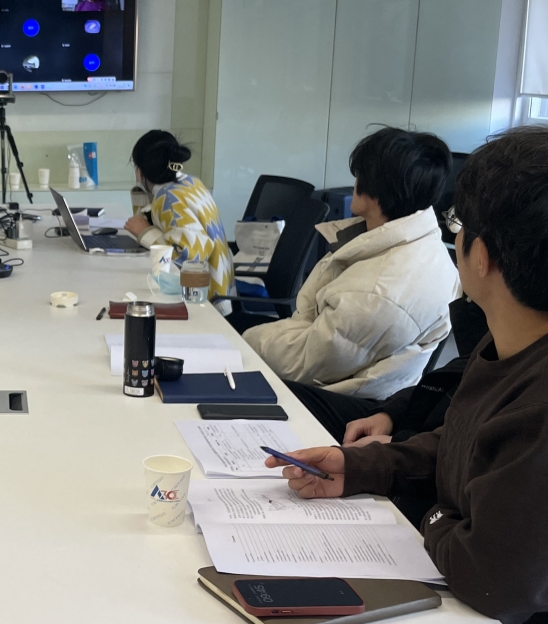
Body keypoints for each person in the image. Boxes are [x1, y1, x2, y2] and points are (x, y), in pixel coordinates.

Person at [266, 126, 548, 624]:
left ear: (482, 255)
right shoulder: (507, 343)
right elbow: (463, 441)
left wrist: (436, 515)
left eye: (459, 225)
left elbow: (491, 576)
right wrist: (362, 467)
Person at [242, 126, 460, 401]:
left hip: (334, 401)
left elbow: (303, 363)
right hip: (328, 373)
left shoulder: (380, 292)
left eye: (360, 174)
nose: (355, 181)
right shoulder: (408, 241)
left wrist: (242, 340)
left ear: (378, 189)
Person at [285, 297, 489, 446]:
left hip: (423, 453)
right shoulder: (487, 323)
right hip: (407, 420)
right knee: (288, 395)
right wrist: (390, 413)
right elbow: (449, 384)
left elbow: (317, 355)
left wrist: (396, 445)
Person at [123, 130, 234, 302]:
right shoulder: (189, 182)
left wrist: (145, 233)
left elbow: (188, 257)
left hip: (207, 298)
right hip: (221, 289)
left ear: (139, 171)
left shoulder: (168, 198)